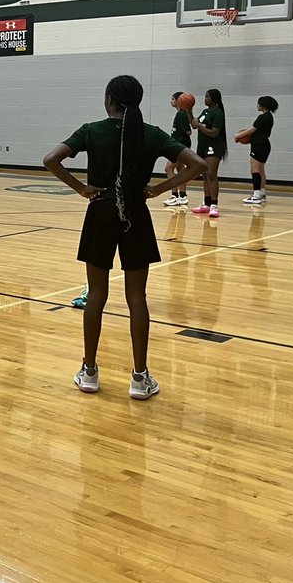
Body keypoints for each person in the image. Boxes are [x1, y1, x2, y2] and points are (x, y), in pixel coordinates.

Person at [43, 75, 206, 399]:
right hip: (136, 214)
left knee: (96, 295)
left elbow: (51, 160)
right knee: (137, 299)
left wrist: (80, 188)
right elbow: (198, 165)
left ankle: (89, 372)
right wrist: (158, 189)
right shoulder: (151, 133)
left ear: (109, 100)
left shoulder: (92, 129)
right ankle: (139, 378)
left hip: (100, 212)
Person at [188, 89, 226, 218]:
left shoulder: (218, 113)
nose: (205, 99)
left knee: (211, 175)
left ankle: (214, 205)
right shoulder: (205, 112)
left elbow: (214, 132)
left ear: (214, 99)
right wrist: (189, 110)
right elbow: (194, 124)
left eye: (207, 97)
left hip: (214, 146)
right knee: (204, 175)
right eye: (205, 96)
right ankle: (207, 203)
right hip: (202, 146)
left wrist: (199, 126)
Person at [236, 96, 277, 204]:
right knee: (261, 170)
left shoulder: (263, 117)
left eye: (259, 103)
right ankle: (262, 193)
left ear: (263, 105)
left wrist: (238, 135)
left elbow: (252, 130)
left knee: (255, 170)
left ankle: (256, 194)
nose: (257, 105)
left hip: (259, 145)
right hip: (264, 145)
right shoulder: (269, 116)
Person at [162, 91, 193, 207]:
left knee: (168, 168)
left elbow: (189, 132)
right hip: (181, 145)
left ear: (178, 101)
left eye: (172, 99)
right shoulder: (182, 113)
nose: (171, 101)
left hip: (179, 145)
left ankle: (174, 195)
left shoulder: (181, 114)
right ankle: (183, 196)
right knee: (181, 170)